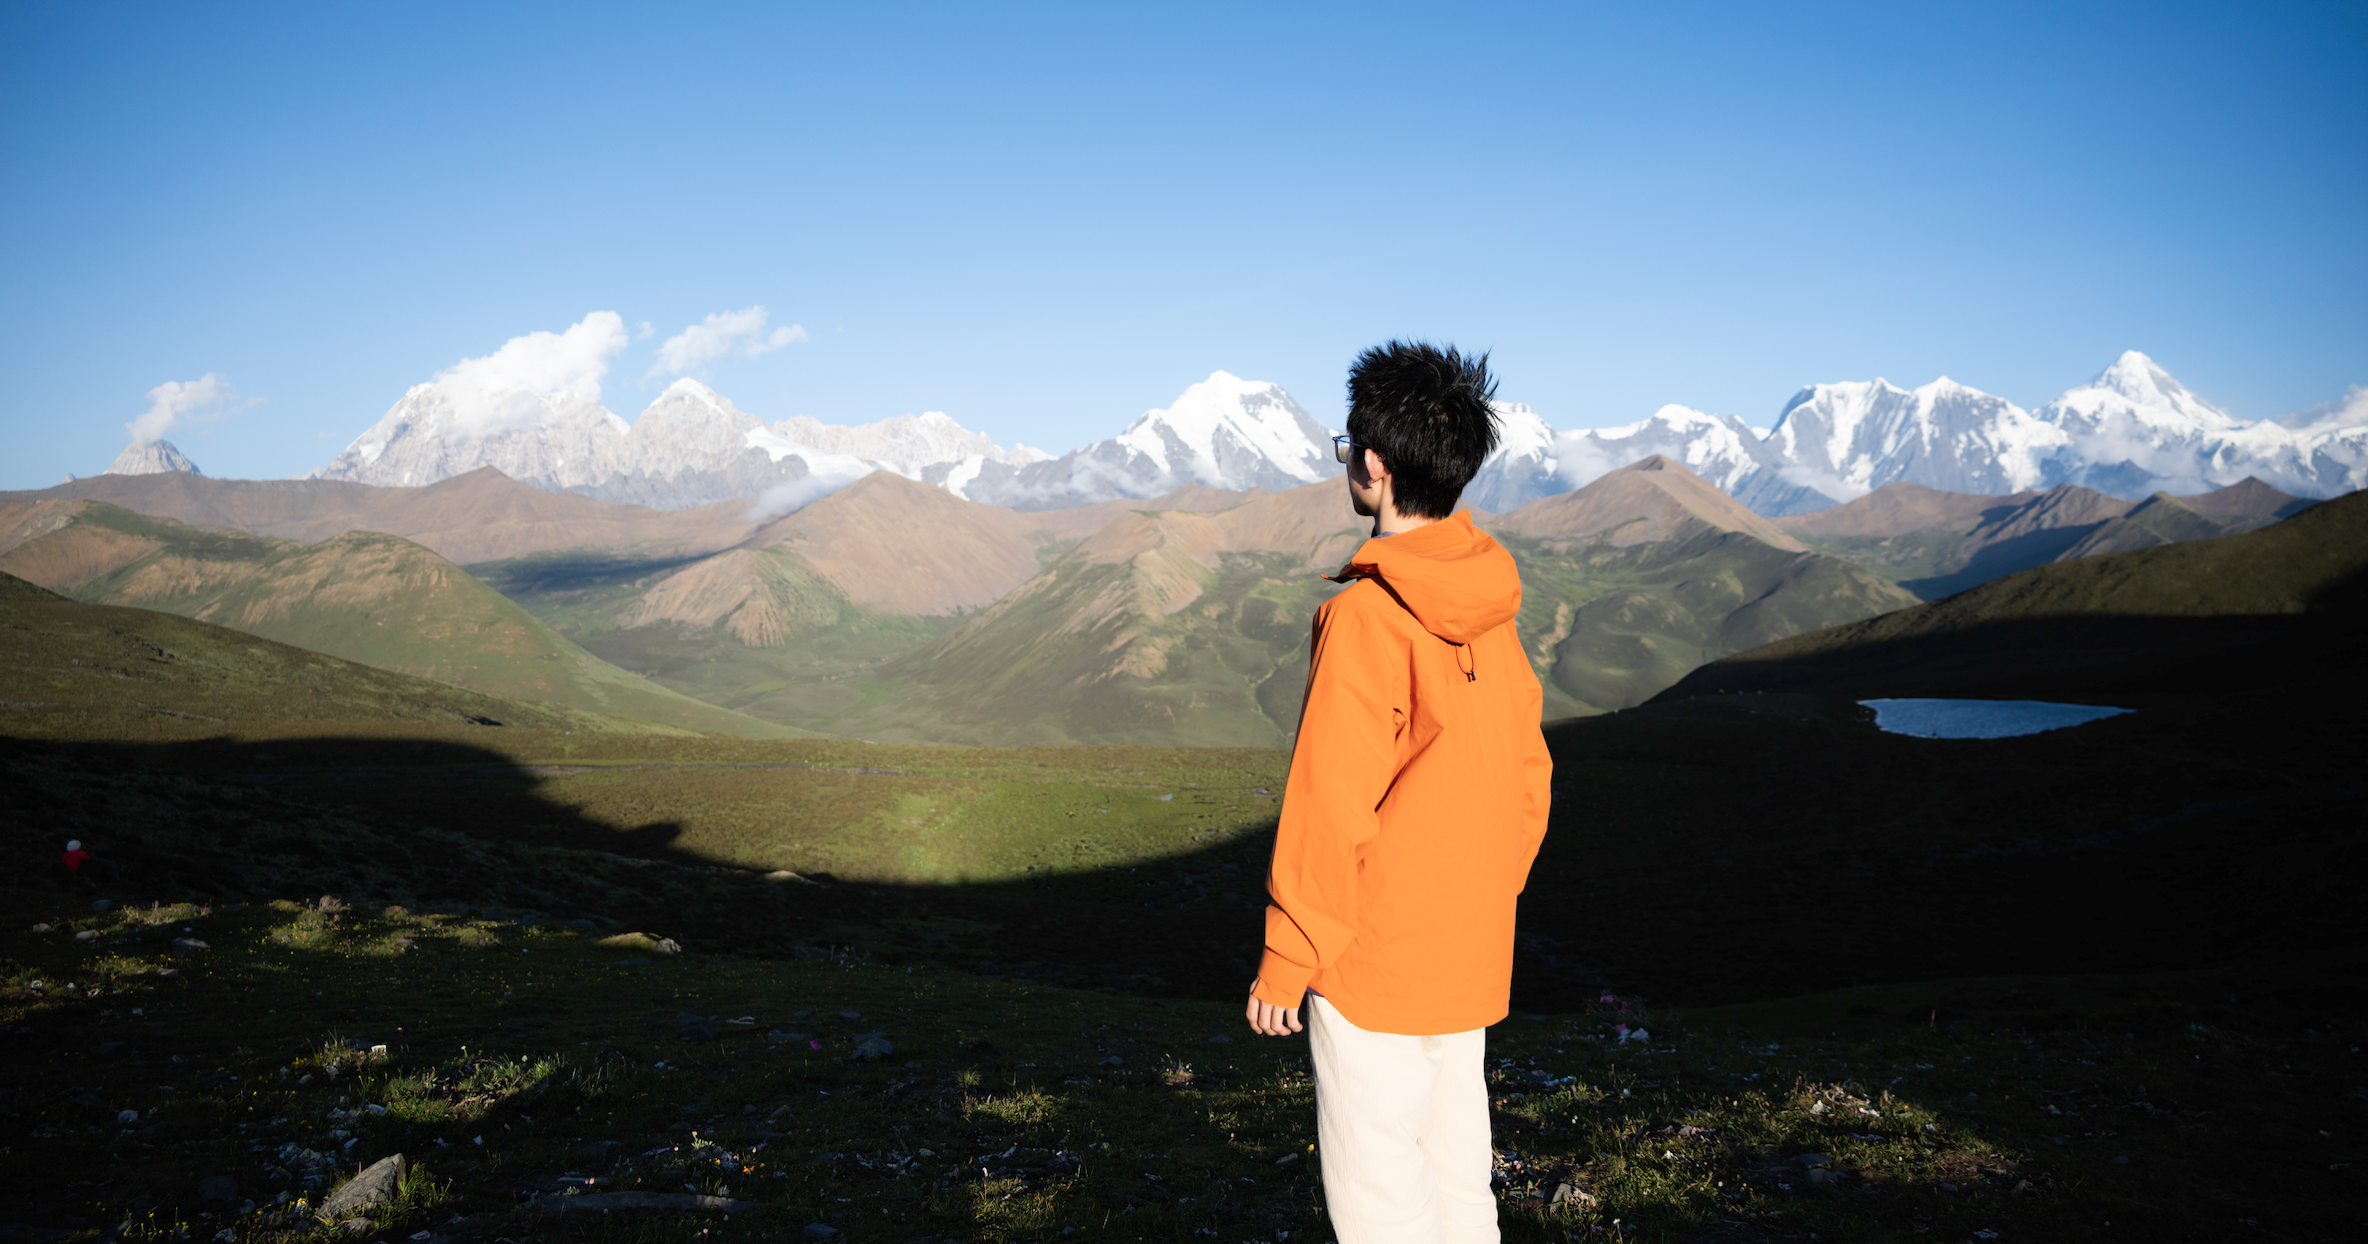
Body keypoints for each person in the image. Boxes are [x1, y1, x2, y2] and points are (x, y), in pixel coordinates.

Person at [1243, 341, 1553, 1244]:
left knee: (1383, 1205)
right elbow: (1528, 775)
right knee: (1459, 1184)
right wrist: (1485, 895)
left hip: (1371, 961)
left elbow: (1329, 798)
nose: (1349, 462)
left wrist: (1290, 952)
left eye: (1347, 447)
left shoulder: (1366, 616)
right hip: (1467, 949)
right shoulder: (1492, 608)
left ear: (1374, 466)